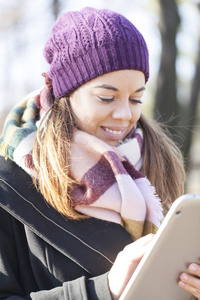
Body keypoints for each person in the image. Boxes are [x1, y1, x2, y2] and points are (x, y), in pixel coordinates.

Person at [0, 6, 199, 300]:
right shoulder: (9, 184)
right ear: (64, 94)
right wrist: (102, 290)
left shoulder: (156, 166)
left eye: (136, 98)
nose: (124, 114)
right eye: (106, 97)